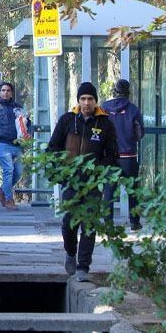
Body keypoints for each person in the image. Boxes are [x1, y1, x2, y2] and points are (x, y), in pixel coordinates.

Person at [47, 83, 118, 282]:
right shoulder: (68, 121)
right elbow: (53, 148)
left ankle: (83, 267)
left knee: (88, 225)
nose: (86, 103)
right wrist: (58, 173)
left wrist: (99, 171)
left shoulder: (105, 124)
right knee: (68, 223)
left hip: (93, 184)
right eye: (83, 99)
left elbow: (112, 154)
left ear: (96, 101)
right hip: (71, 182)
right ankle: (71, 252)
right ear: (78, 101)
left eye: (90, 99)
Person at [101, 79, 144, 230]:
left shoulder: (104, 108)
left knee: (109, 190)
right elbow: (140, 134)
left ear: (114, 91)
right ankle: (135, 222)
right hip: (129, 157)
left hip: (110, 157)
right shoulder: (133, 109)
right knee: (132, 191)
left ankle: (108, 223)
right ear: (128, 92)